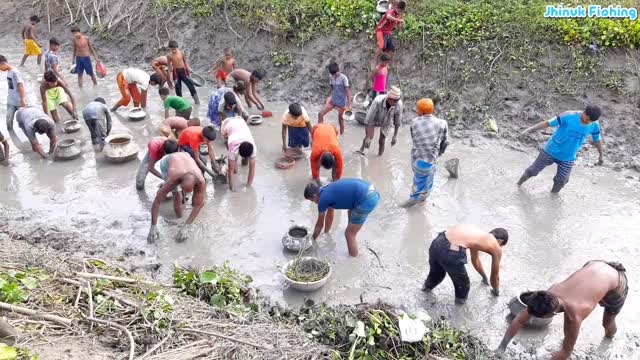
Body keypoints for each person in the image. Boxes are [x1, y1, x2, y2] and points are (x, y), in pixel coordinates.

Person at [497, 261, 628, 360]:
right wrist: (501, 348)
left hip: (617, 282)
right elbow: (519, 320)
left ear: (551, 315)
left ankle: (610, 338)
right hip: (594, 265)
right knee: (569, 331)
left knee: (607, 322)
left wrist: (565, 346)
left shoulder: (574, 316)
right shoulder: (549, 294)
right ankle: (569, 337)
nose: (530, 317)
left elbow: (566, 353)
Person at [517, 105, 604, 193]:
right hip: (550, 151)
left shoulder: (594, 125)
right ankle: (518, 185)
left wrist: (601, 155)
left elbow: (597, 139)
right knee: (532, 171)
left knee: (561, 181)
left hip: (568, 157)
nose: (587, 122)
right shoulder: (568, 116)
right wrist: (530, 129)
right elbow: (548, 123)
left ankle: (553, 198)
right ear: (584, 112)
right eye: (586, 119)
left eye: (590, 121)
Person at [422, 224, 508, 304]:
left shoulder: (478, 236)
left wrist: (484, 277)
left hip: (438, 241)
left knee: (437, 275)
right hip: (452, 250)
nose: (500, 248)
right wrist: (496, 292)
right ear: (500, 241)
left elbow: (476, 260)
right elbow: (495, 277)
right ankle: (458, 314)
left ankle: (423, 292)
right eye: (501, 246)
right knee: (463, 287)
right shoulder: (496, 247)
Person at [304, 179, 379, 257]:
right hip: (371, 191)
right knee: (350, 212)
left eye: (312, 200)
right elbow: (330, 216)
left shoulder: (322, 200)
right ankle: (353, 235)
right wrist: (326, 233)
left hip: (366, 199)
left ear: (314, 196)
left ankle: (353, 260)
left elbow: (319, 225)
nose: (315, 203)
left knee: (349, 234)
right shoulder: (326, 189)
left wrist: (311, 241)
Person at [147, 152, 206, 244]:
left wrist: (186, 226)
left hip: (185, 156)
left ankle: (185, 221)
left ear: (196, 184)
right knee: (177, 196)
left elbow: (200, 204)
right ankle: (178, 217)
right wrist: (153, 226)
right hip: (167, 162)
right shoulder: (174, 178)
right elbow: (157, 200)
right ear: (180, 182)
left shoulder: (201, 181)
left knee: (196, 201)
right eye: (183, 189)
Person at [400, 98, 449, 208]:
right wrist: (439, 154)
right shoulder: (442, 123)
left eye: (417, 110)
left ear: (421, 111)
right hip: (431, 159)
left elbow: (414, 139)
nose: (417, 111)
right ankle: (422, 199)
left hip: (418, 159)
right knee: (427, 178)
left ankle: (411, 202)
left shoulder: (415, 122)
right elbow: (445, 142)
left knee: (418, 181)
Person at [357, 86, 403, 156]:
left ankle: (379, 156)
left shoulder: (399, 104)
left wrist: (395, 136)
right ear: (389, 98)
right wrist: (368, 137)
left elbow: (397, 122)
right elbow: (369, 119)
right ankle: (361, 150)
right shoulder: (378, 101)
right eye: (394, 100)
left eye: (397, 100)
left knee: (382, 141)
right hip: (374, 119)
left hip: (387, 120)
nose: (396, 102)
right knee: (369, 137)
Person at [221, 116, 256, 191]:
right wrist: (232, 188)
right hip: (227, 124)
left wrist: (248, 186)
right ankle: (235, 162)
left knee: (245, 163)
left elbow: (252, 169)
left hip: (241, 122)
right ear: (239, 151)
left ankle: (240, 162)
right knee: (234, 169)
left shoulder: (253, 147)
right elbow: (230, 170)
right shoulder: (233, 147)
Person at [317, 62, 351, 135]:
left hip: (342, 102)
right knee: (320, 114)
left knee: (340, 120)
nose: (334, 75)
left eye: (336, 74)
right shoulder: (331, 77)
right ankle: (319, 132)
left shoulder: (344, 78)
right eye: (333, 74)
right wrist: (327, 96)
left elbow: (347, 91)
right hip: (333, 100)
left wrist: (349, 104)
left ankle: (342, 136)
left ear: (339, 70)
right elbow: (331, 88)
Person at [0, 55, 27, 131]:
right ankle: (12, 137)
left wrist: (22, 99)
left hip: (19, 102)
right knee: (8, 122)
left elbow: (20, 85)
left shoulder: (15, 72)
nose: (0, 70)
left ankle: (30, 138)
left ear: (3, 63)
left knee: (23, 122)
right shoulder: (9, 71)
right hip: (11, 101)